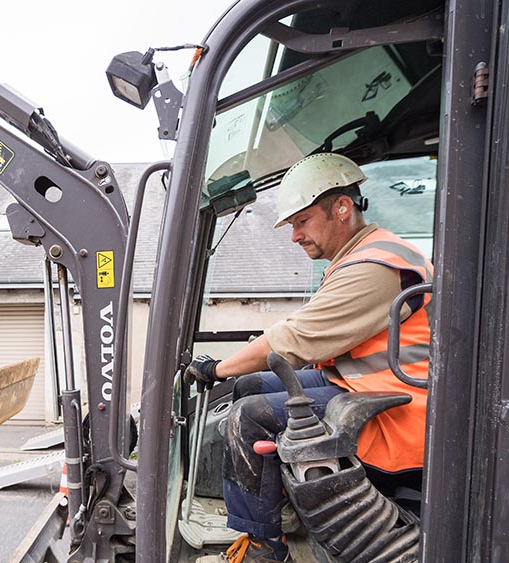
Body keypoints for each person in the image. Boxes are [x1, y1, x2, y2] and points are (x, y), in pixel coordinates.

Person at [183, 153, 433, 563]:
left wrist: (217, 368)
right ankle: (277, 505)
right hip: (367, 386)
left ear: (341, 208)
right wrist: (236, 371)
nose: (294, 235)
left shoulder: (376, 266)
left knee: (248, 415)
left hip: (399, 410)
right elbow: (307, 328)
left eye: (301, 221)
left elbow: (296, 339)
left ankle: (264, 547)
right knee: (249, 386)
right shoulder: (362, 254)